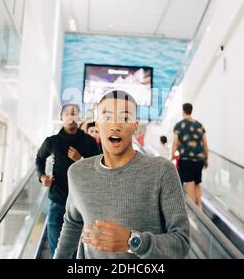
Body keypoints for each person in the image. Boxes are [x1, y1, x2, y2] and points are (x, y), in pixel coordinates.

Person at [54, 90, 190, 259]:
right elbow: (72, 223)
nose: (115, 125)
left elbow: (181, 242)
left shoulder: (162, 171)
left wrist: (132, 241)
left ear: (135, 126)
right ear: (96, 125)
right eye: (107, 117)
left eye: (125, 118)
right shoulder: (77, 172)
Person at [36, 104, 101, 257]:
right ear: (61, 117)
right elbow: (39, 158)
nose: (71, 117)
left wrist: (81, 159)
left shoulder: (89, 142)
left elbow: (99, 169)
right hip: (57, 201)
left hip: (82, 204)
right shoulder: (51, 142)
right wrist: (42, 176)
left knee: (78, 249)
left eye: (75, 113)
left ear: (80, 117)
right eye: (67, 113)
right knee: (56, 248)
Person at [171, 103, 209, 210]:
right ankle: (200, 207)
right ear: (191, 111)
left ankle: (193, 212)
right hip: (199, 159)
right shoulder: (199, 125)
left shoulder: (179, 125)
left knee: (189, 183)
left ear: (183, 111)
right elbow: (205, 144)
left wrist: (172, 157)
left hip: (186, 159)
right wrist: (206, 159)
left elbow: (175, 143)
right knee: (197, 182)